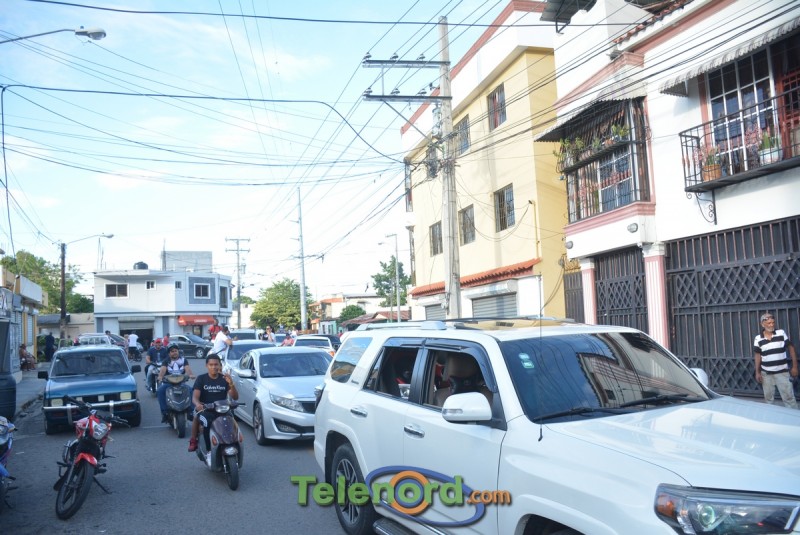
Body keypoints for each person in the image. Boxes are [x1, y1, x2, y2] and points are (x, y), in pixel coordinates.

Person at [188, 353, 238, 452]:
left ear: (220, 365)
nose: (214, 367)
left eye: (216, 364)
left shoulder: (224, 379)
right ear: (206, 365)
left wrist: (231, 383)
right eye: (211, 365)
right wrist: (198, 404)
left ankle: (234, 445)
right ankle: (206, 449)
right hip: (206, 409)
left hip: (222, 409)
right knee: (204, 422)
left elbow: (235, 397)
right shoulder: (201, 379)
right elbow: (195, 397)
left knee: (232, 424)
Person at [753, 312, 798, 409]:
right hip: (766, 375)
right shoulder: (758, 338)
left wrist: (794, 367)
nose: (771, 325)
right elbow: (757, 355)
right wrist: (757, 372)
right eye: (769, 323)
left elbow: (791, 348)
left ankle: (794, 417)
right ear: (762, 324)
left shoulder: (781, 333)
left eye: (773, 322)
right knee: (769, 400)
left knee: (789, 399)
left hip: (782, 373)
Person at [157, 343, 195, 423]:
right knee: (160, 391)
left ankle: (190, 411)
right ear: (169, 353)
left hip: (181, 383)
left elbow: (187, 369)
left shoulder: (184, 360)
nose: (174, 352)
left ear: (178, 351)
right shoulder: (166, 361)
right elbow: (163, 370)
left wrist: (191, 375)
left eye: (176, 351)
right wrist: (160, 377)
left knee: (192, 391)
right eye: (172, 351)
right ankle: (165, 412)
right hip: (169, 383)